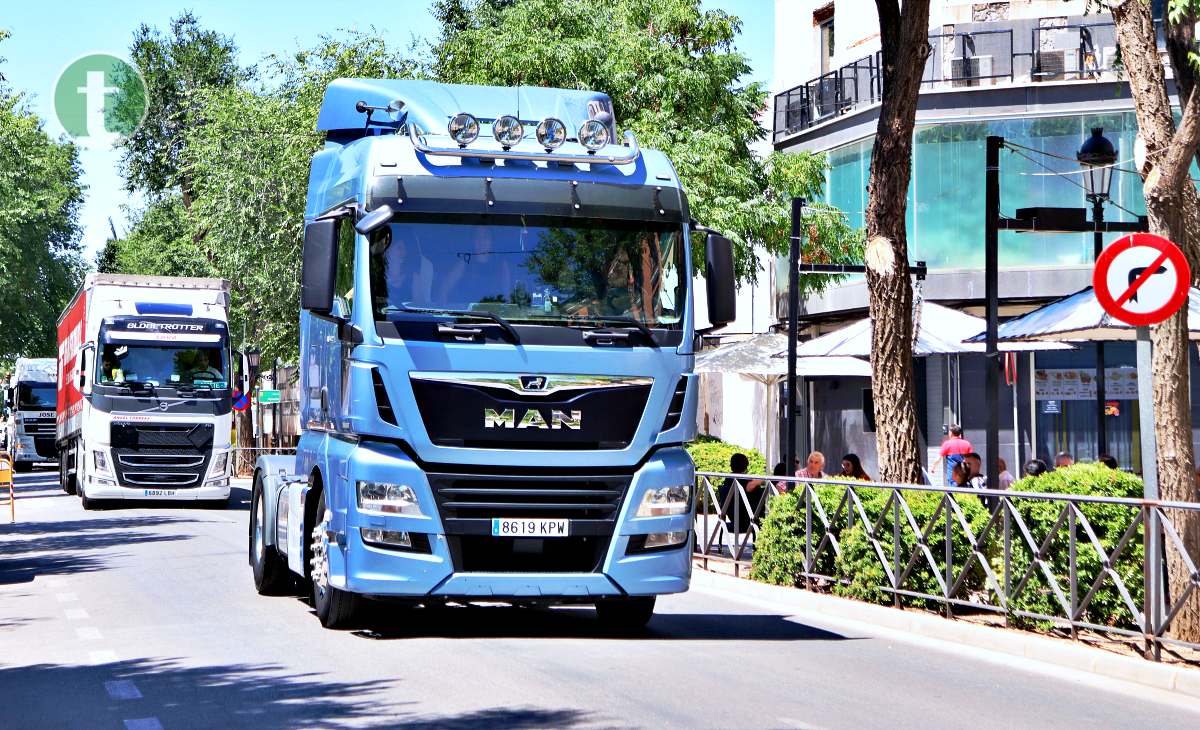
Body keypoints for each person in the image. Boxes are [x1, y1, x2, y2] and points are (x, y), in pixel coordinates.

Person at [716, 453, 766, 536]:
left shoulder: (728, 479)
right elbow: (749, 487)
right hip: (748, 520)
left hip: (734, 518)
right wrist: (763, 480)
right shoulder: (742, 480)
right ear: (746, 465)